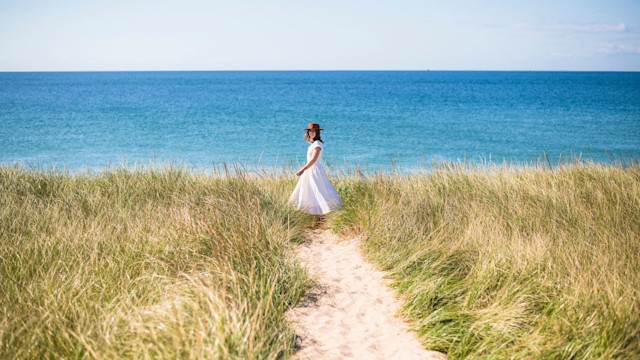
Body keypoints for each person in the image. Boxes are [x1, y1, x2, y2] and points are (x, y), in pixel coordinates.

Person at [289, 122, 344, 223]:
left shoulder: (318, 144)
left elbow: (314, 160)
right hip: (310, 170)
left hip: (315, 171)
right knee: (309, 192)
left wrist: (302, 169)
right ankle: (315, 216)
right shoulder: (313, 144)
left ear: (317, 132)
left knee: (320, 191)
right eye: (310, 131)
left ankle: (325, 214)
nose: (311, 133)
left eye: (313, 131)